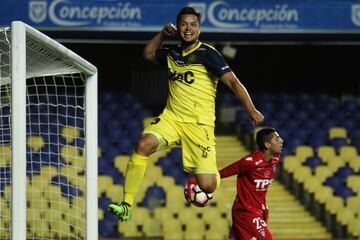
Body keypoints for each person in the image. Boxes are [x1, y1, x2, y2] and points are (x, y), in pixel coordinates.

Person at [108, 6, 264, 222]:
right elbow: (148, 54)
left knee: (207, 184)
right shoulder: (172, 53)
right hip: (172, 119)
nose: (188, 28)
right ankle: (127, 204)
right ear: (178, 27)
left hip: (199, 126)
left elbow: (233, 82)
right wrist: (162, 35)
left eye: (193, 24)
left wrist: (250, 108)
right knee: (143, 145)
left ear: (199, 29)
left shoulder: (208, 54)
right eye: (183, 24)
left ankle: (198, 182)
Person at [219, 127, 283, 240]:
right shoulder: (250, 162)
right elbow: (222, 173)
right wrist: (200, 180)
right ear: (267, 145)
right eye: (277, 139)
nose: (281, 141)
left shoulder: (275, 159)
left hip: (259, 210)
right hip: (245, 211)